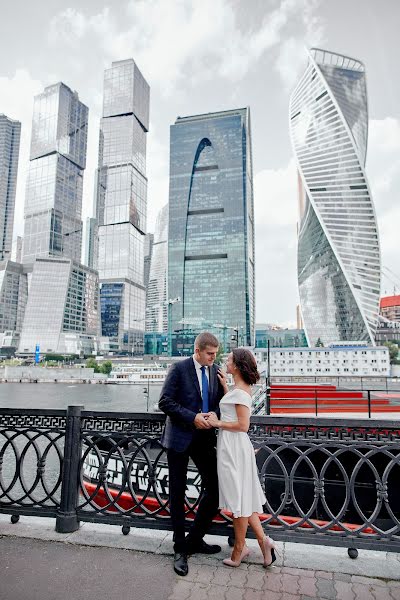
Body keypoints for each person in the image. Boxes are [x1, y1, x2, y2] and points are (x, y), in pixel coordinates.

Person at [158, 332, 225, 576]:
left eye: (216, 354)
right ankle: (179, 549)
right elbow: (164, 401)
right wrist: (193, 417)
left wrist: (213, 415)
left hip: (205, 439)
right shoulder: (178, 369)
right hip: (179, 438)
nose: (213, 358)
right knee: (177, 494)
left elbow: (218, 402)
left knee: (216, 488)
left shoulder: (215, 370)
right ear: (198, 351)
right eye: (210, 354)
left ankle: (194, 539)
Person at [207, 348, 277, 568]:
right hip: (233, 447)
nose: (225, 361)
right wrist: (226, 388)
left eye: (228, 359)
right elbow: (234, 407)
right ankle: (264, 542)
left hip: (234, 448)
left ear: (236, 365)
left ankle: (239, 550)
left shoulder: (241, 392)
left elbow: (243, 425)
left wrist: (217, 423)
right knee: (243, 499)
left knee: (238, 502)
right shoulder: (238, 389)